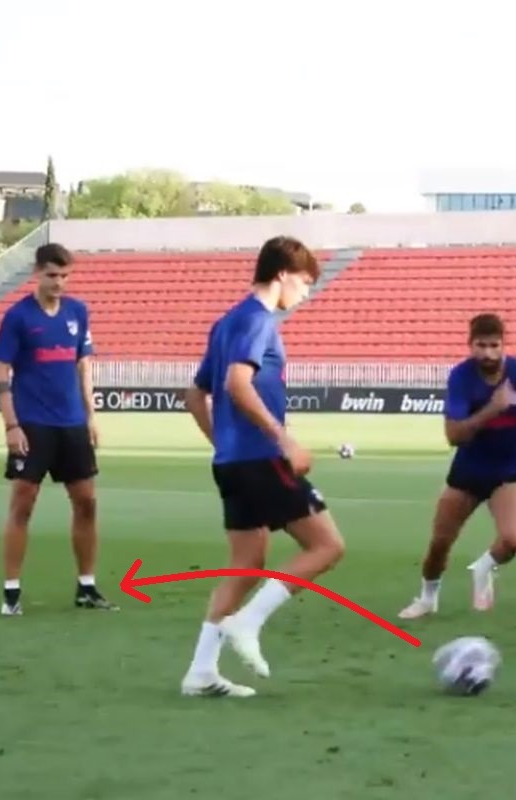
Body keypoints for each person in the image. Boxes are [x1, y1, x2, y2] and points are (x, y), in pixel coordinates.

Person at [179, 236, 346, 698]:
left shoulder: (227, 322)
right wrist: (283, 438)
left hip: (233, 463)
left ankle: (200, 671)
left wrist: (224, 443)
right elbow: (237, 383)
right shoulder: (257, 320)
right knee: (327, 546)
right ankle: (248, 622)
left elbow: (194, 395)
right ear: (282, 275)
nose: (306, 293)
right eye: (305, 282)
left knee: (246, 565)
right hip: (261, 458)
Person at [398, 313, 516, 619]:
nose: (488, 353)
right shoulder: (461, 377)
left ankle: (483, 568)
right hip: (469, 469)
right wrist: (493, 409)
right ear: (470, 345)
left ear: (503, 344)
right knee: (440, 544)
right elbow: (454, 436)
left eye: (494, 345)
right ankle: (427, 599)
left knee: (512, 540)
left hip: (512, 469)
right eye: (481, 346)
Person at [0, 242, 115, 615]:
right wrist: (11, 425)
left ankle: (86, 587)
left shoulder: (78, 312)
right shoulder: (18, 317)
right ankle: (12, 593)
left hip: (72, 424)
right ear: (37, 273)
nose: (58, 282)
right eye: (52, 275)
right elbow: (0, 372)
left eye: (64, 276)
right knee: (23, 503)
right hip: (32, 424)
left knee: (87, 502)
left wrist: (90, 416)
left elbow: (83, 366)